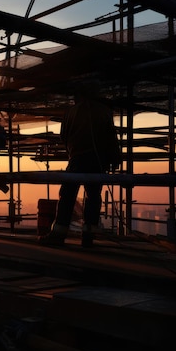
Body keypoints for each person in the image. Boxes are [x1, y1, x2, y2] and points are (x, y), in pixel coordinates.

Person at [38, 84, 121, 247]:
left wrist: (73, 149)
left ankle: (58, 234)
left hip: (78, 157)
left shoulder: (71, 111)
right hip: (98, 160)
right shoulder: (104, 111)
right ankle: (88, 237)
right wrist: (113, 158)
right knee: (93, 196)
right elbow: (111, 137)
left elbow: (64, 136)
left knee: (67, 194)